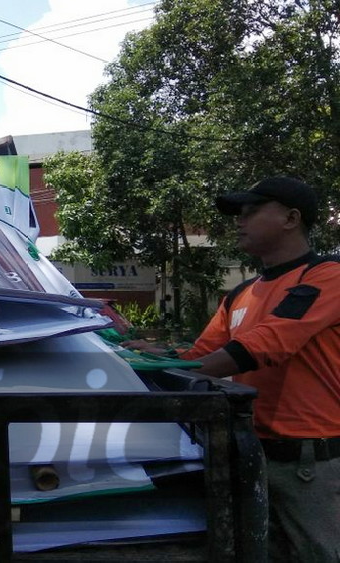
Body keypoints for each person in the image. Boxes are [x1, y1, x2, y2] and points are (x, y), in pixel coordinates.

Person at [127, 176, 340, 561]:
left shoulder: (326, 277)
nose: (239, 220)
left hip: (312, 465)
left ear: (291, 218)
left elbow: (271, 341)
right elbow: (203, 353)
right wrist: (152, 356)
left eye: (252, 210)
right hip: (252, 452)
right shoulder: (241, 294)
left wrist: (180, 365)